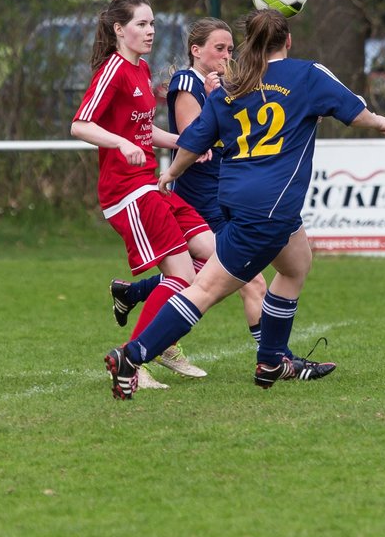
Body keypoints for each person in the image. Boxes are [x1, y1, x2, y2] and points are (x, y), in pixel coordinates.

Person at [104, 9, 385, 400]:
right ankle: (132, 355)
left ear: (248, 44)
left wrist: (172, 172)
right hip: (269, 206)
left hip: (240, 198)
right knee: (204, 289)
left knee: (296, 264)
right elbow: (354, 111)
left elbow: (196, 139)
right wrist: (379, 122)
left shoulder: (232, 86)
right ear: (287, 40)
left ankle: (272, 358)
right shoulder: (307, 75)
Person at [70, 0, 218, 392]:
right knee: (182, 277)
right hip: (126, 193)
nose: (150, 31)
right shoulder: (113, 71)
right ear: (119, 29)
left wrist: (181, 144)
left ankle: (159, 339)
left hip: (152, 185)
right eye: (141, 24)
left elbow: (141, 129)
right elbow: (80, 125)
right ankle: (134, 358)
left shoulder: (141, 70)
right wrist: (119, 144)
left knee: (214, 253)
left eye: (152, 24)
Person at [110, 19, 270, 382]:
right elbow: (195, 138)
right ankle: (273, 361)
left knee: (210, 276)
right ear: (196, 51)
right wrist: (219, 97)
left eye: (231, 49)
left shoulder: (222, 86)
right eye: (219, 48)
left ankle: (138, 304)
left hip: (220, 197)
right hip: (199, 199)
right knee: (244, 278)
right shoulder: (187, 82)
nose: (227, 55)